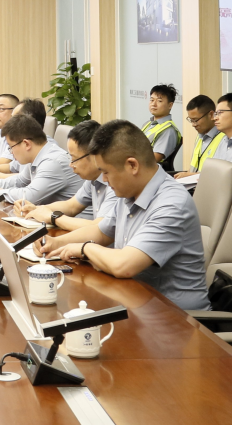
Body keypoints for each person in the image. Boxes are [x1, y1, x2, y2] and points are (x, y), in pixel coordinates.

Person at [50, 120, 210, 311]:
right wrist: (55, 244)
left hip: (175, 316)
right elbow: (101, 232)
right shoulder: (130, 192)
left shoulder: (172, 204)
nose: (104, 180)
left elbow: (123, 265)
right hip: (135, 301)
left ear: (132, 165)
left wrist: (85, 248)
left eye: (106, 172)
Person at [6, 120, 122, 256]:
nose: (70, 164)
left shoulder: (116, 185)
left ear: (94, 156)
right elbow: (71, 206)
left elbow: (99, 228)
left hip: (105, 253)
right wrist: (37, 210)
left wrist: (53, 217)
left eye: (74, 158)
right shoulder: (92, 179)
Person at [0, 112, 80, 205]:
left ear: (26, 144)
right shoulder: (37, 156)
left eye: (11, 146)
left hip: (67, 214)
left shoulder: (53, 161)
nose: (11, 152)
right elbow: (19, 181)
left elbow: (29, 196)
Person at [175, 94, 223, 179]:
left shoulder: (224, 139)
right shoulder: (200, 136)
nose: (193, 124)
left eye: (196, 120)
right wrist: (186, 175)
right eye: (191, 120)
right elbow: (194, 167)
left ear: (211, 115)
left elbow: (219, 174)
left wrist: (189, 175)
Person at [143, 84, 182, 170]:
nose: (153, 104)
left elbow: (154, 159)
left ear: (170, 105)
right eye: (151, 100)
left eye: (159, 101)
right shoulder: (148, 124)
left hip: (151, 173)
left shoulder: (168, 130)